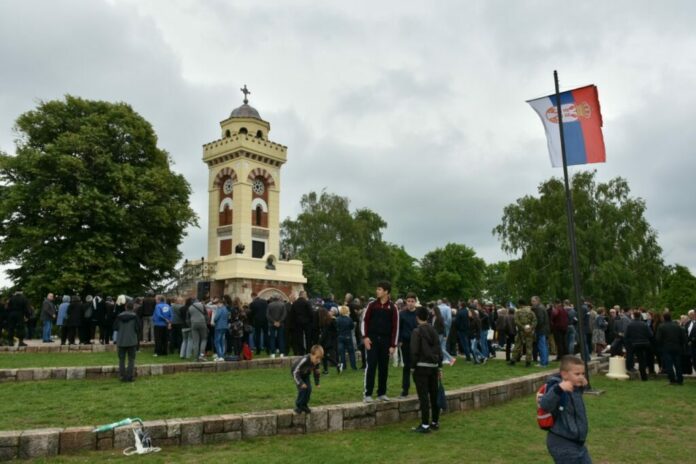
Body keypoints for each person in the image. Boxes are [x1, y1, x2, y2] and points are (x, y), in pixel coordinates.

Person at [538, 355, 591, 463]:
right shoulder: (557, 387)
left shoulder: (574, 387)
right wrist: (559, 389)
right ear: (564, 374)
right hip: (562, 442)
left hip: (578, 443)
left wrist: (582, 386)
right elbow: (545, 405)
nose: (581, 377)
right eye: (577, 374)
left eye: (583, 373)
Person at [362, 281, 399, 403]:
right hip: (372, 340)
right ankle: (367, 394)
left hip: (386, 341)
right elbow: (364, 322)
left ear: (386, 292)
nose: (377, 291)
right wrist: (365, 337)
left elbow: (395, 327)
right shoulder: (372, 305)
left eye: (379, 289)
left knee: (384, 368)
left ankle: (382, 393)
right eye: (377, 289)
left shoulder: (393, 308)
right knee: (371, 366)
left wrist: (393, 345)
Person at [410, 306, 443, 433]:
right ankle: (435, 421)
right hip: (433, 367)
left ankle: (424, 425)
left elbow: (414, 351)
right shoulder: (433, 331)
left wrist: (412, 367)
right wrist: (439, 366)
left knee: (423, 397)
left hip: (421, 368)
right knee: (434, 396)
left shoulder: (416, 332)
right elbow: (439, 350)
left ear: (417, 317)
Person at [291, 344, 324, 414]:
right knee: (302, 389)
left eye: (320, 358)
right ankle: (298, 406)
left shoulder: (317, 362)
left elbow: (316, 372)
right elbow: (295, 371)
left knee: (309, 389)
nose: (318, 360)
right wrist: (300, 382)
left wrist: (317, 383)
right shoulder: (305, 359)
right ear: (312, 355)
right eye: (317, 357)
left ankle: (304, 405)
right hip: (297, 374)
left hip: (306, 375)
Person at [397, 293, 418, 397]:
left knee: (417, 365)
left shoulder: (418, 313)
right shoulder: (402, 314)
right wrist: (399, 340)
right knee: (406, 366)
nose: (410, 303)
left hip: (417, 342)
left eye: (412, 301)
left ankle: (420, 386)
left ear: (415, 302)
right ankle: (405, 388)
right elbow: (399, 328)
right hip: (405, 342)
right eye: (408, 301)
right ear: (406, 302)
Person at [656, 312, 686, 385]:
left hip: (666, 348)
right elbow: (683, 338)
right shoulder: (678, 326)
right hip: (677, 347)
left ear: (664, 318)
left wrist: (661, 346)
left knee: (669, 365)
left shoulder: (661, 326)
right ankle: (680, 380)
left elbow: (658, 339)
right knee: (678, 364)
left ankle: (672, 380)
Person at [114, 299, 140, 382]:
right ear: (133, 308)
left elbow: (115, 327)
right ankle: (130, 376)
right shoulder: (135, 316)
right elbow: (138, 328)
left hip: (121, 340)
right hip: (132, 340)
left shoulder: (119, 316)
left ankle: (122, 376)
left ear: (125, 307)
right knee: (131, 359)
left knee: (121, 359)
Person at [624, 310, 652, 381]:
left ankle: (631, 372)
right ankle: (644, 377)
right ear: (640, 316)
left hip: (633, 344)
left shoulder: (630, 325)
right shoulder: (644, 324)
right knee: (642, 360)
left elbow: (626, 335)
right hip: (643, 344)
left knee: (630, 356)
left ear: (633, 316)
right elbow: (650, 334)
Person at [290, 291, 313, 356]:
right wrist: (311, 321)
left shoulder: (295, 303)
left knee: (299, 337)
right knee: (308, 337)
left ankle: (301, 351)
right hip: (307, 322)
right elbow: (311, 313)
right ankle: (308, 351)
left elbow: (292, 314)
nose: (306, 296)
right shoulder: (307, 303)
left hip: (298, 323)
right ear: (303, 295)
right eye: (306, 295)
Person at [336, 305, 357, 371]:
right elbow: (352, 327)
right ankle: (353, 366)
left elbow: (336, 327)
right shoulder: (349, 319)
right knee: (351, 352)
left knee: (342, 353)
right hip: (348, 336)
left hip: (340, 336)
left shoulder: (338, 319)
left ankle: (343, 366)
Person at [532, 296, 550, 367]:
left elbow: (540, 320)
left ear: (537, 301)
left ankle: (543, 363)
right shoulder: (542, 307)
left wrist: (534, 327)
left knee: (542, 346)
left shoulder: (539, 308)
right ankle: (545, 361)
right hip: (544, 329)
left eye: (533, 301)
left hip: (541, 330)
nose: (532, 302)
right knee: (544, 346)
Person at [213, 297, 230, 361]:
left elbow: (216, 317)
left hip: (219, 326)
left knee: (217, 341)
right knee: (222, 341)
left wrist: (214, 320)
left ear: (221, 303)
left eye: (217, 303)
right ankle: (222, 355)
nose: (217, 305)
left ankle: (220, 356)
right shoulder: (226, 309)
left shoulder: (220, 309)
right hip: (224, 326)